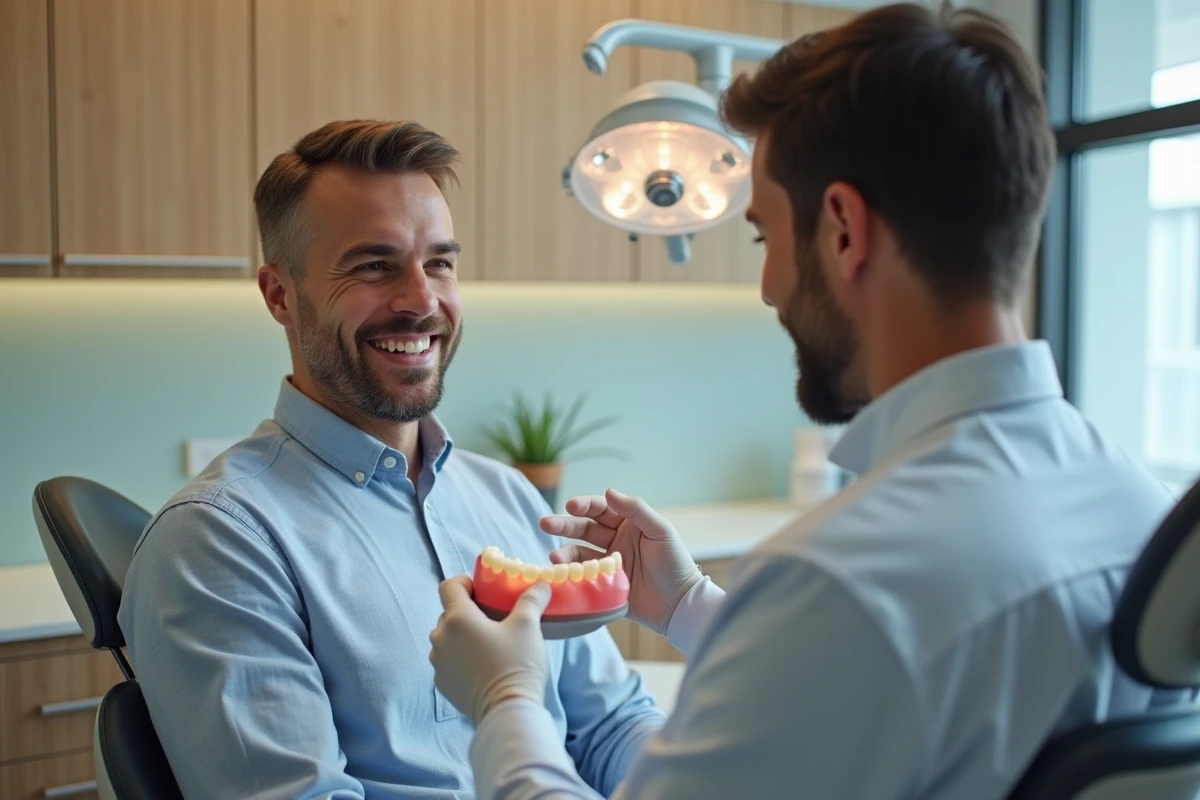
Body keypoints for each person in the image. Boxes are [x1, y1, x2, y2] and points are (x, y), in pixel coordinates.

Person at [428, 4, 1197, 798]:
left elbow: (865, 632)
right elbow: (896, 686)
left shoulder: (843, 579)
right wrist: (690, 604)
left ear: (842, 230)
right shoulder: (1141, 511)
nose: (766, 289)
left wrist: (505, 700)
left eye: (763, 238)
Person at [118, 119, 665, 798]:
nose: (422, 300)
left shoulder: (508, 497)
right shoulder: (219, 542)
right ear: (280, 295)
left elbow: (612, 725)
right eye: (374, 266)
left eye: (439, 262)